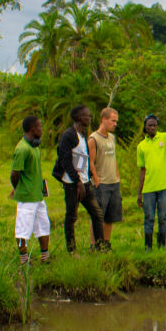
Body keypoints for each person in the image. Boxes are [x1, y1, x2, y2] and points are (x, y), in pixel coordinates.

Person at [52, 105, 105, 254]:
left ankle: (100, 247)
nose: (89, 118)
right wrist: (77, 182)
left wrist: (87, 179)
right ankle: (72, 251)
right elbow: (65, 160)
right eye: (86, 116)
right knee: (71, 217)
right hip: (72, 184)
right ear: (78, 118)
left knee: (97, 214)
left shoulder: (83, 134)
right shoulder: (69, 135)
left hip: (85, 182)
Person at [136, 114, 166, 250]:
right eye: (149, 125)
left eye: (154, 125)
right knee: (149, 218)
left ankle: (162, 245)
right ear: (145, 126)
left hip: (165, 186)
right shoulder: (141, 146)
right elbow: (142, 170)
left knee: (163, 217)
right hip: (149, 188)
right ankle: (148, 246)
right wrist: (139, 193)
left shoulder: (164, 137)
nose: (152, 127)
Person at [10, 116, 51, 264]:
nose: (42, 129)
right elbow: (15, 174)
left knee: (44, 225)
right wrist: (18, 189)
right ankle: (23, 259)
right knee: (22, 229)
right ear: (32, 129)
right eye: (40, 127)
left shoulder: (35, 147)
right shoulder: (22, 149)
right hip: (26, 197)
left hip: (38, 195)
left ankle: (45, 257)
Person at [87, 107, 121, 252]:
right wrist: (97, 181)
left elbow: (113, 159)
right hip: (101, 183)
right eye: (113, 121)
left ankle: (106, 242)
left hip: (113, 182)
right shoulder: (93, 139)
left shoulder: (112, 138)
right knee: (98, 216)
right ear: (104, 120)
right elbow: (91, 163)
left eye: (116, 121)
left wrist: (117, 177)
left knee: (110, 216)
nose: (115, 124)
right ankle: (94, 244)